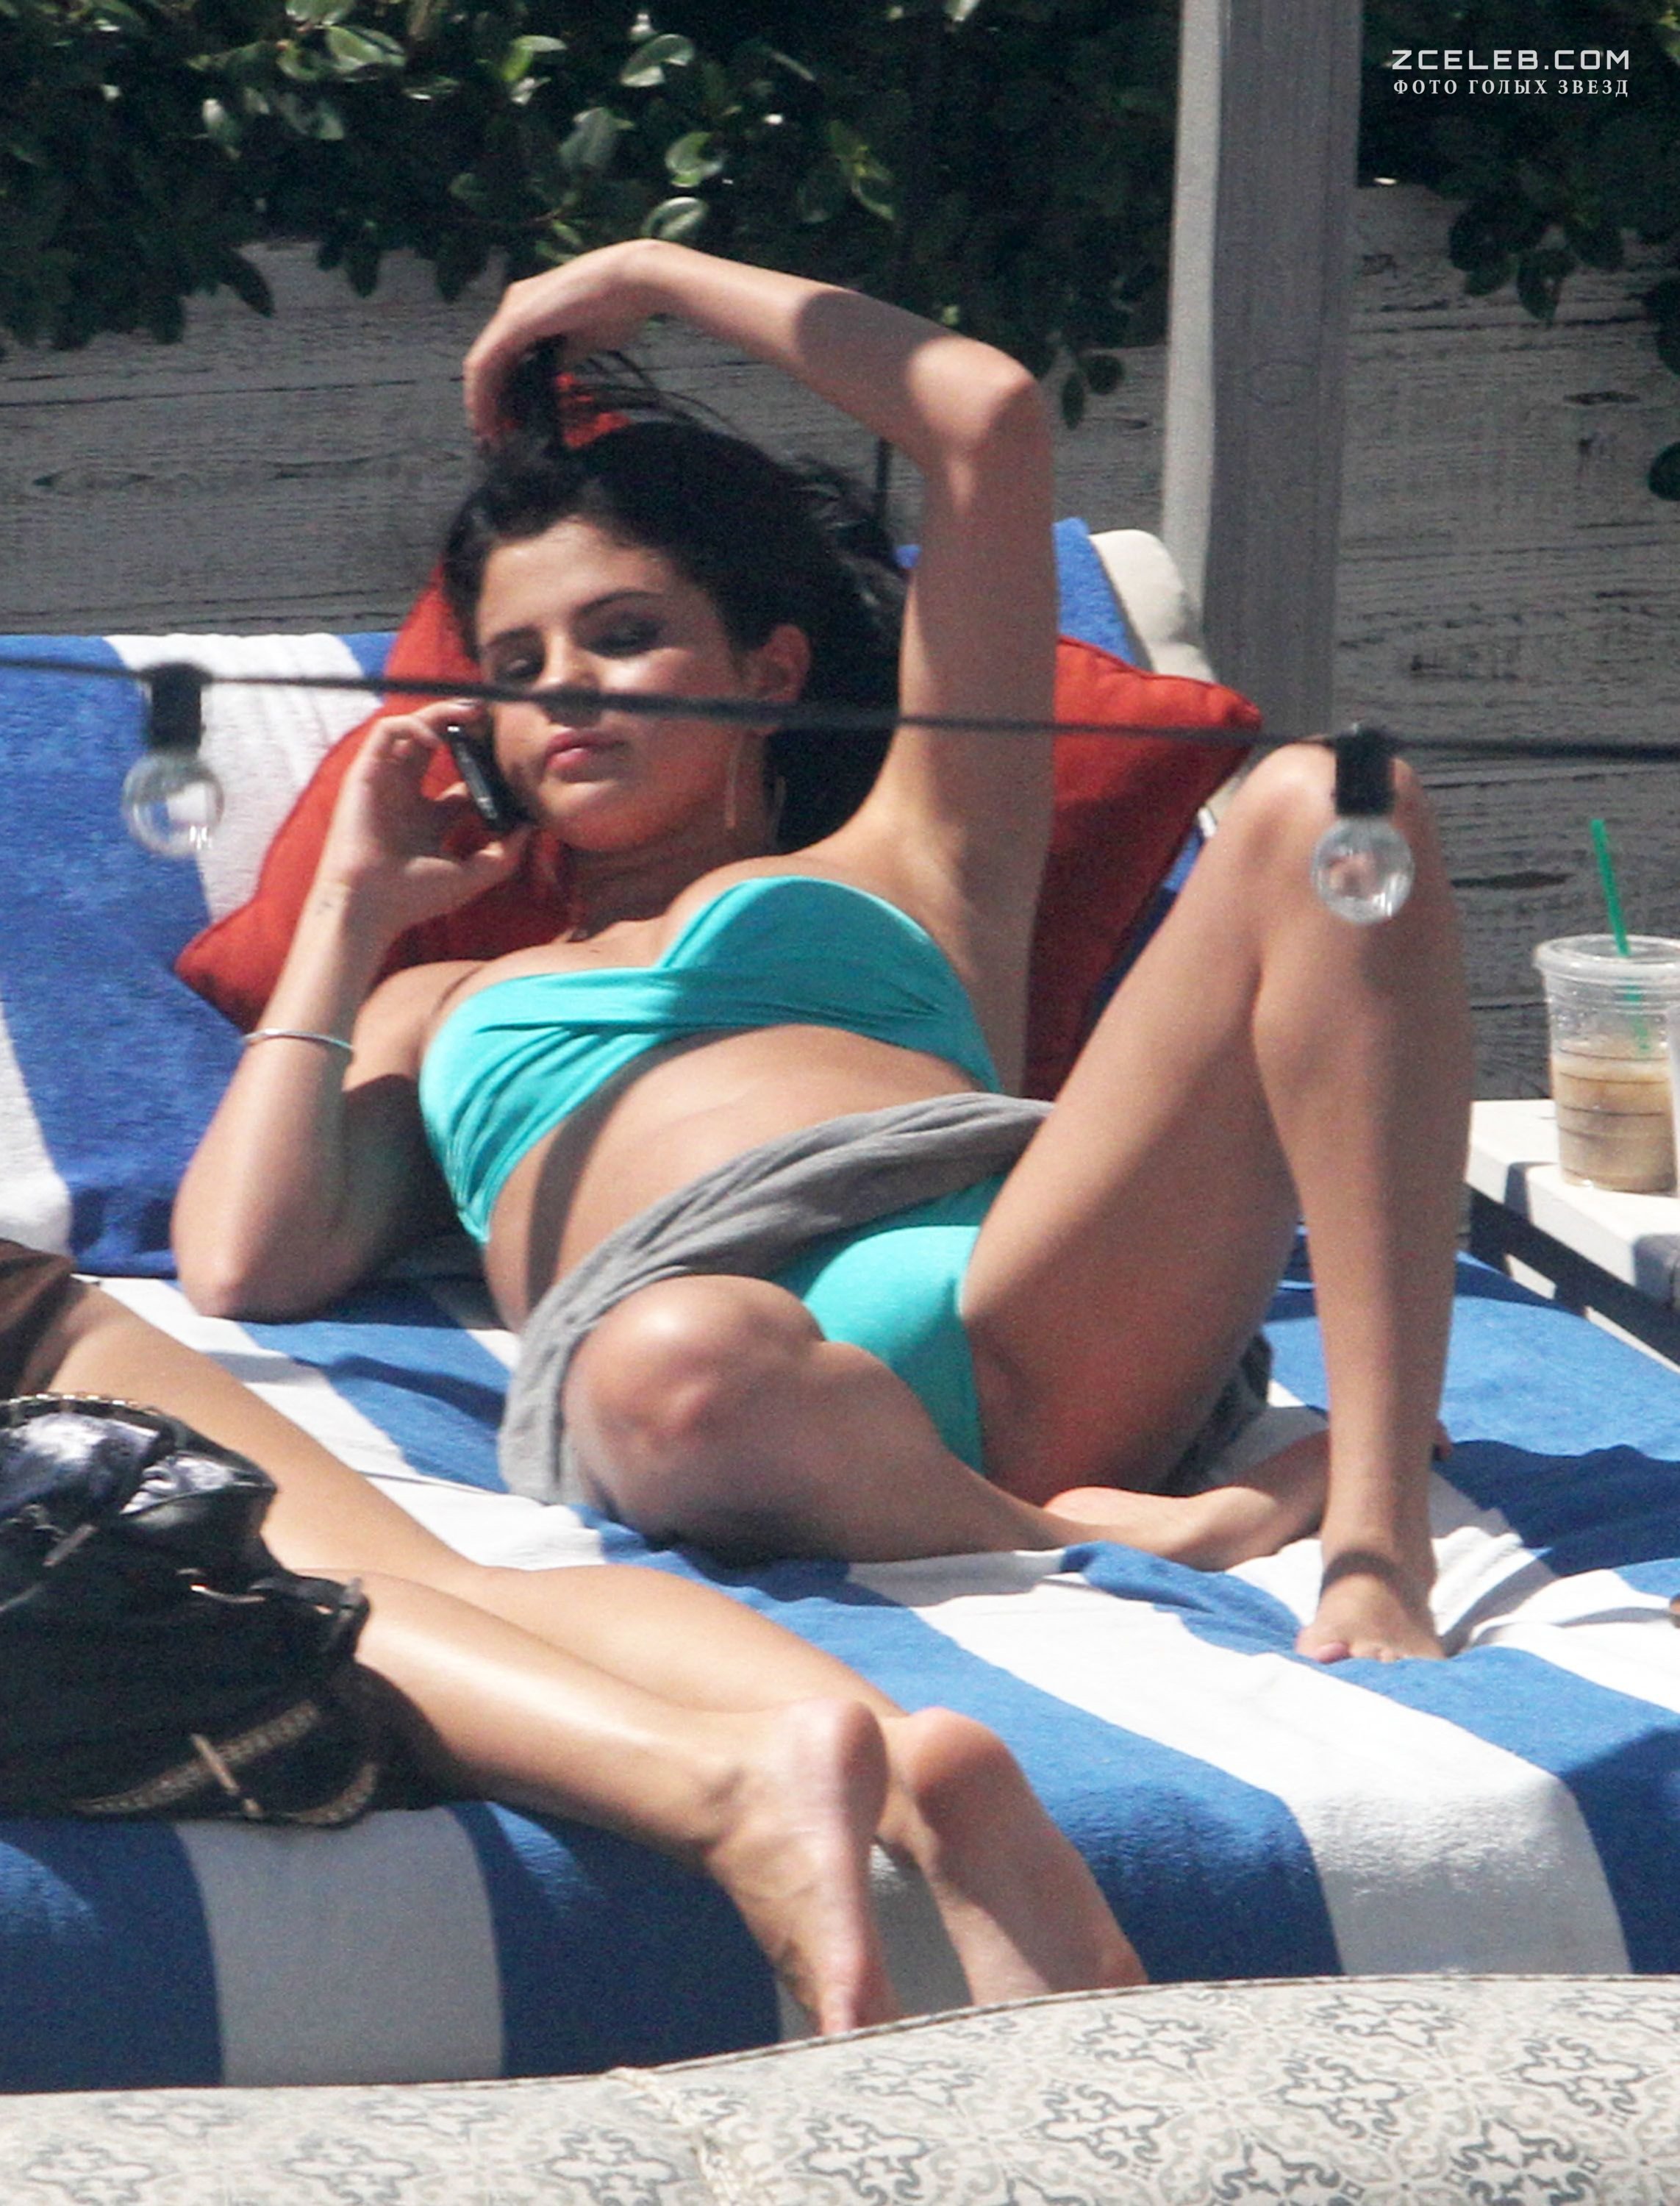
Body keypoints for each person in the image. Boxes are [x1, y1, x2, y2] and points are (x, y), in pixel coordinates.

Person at [174, 238, 1473, 1666]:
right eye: (517, 668)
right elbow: (243, 1262)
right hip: (739, 1395)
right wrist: (351, 909)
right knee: (667, 1368)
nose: (567, 691)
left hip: (1045, 1290)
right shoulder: (435, 998)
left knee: (1339, 799)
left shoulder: (912, 848)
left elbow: (984, 418)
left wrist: (650, 274)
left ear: (768, 672)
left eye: (622, 634)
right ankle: (1110, 1534)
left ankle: (1374, 1535)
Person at [0, 1237, 1140, 2030]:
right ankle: (897, 1761)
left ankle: (728, 1786)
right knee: (431, 1583)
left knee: (236, 1608)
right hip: (40, 1313)